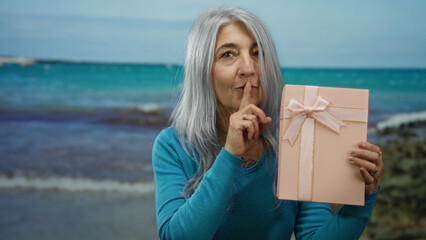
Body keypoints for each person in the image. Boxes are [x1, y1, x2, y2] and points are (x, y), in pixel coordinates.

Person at [152, 7, 383, 240]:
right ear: (202, 71)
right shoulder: (172, 145)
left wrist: (362, 200)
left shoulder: (296, 140)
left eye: (257, 53)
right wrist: (230, 154)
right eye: (228, 54)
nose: (249, 69)